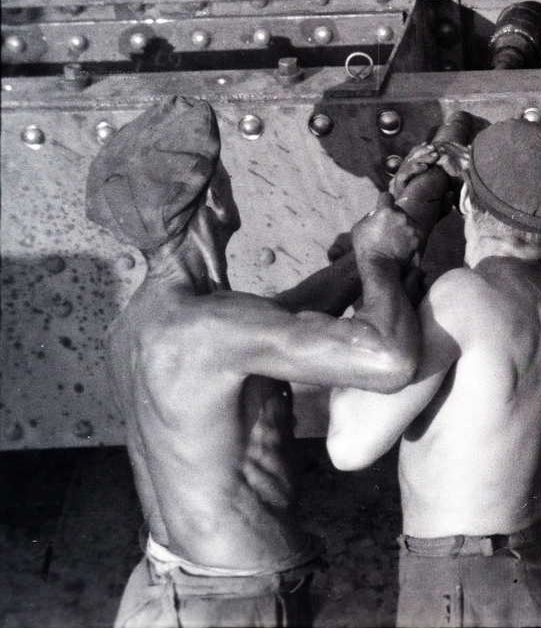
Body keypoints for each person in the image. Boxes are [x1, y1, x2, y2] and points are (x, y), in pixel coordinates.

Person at [93, 96, 425, 628]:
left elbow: (280, 323)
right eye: (222, 176)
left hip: (173, 590)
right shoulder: (213, 327)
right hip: (224, 606)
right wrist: (378, 260)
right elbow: (390, 362)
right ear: (213, 200)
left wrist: (372, 237)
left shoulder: (144, 323)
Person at [325, 117, 541, 628]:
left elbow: (349, 446)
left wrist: (378, 270)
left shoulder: (463, 296)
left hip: (470, 586)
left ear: (467, 204)